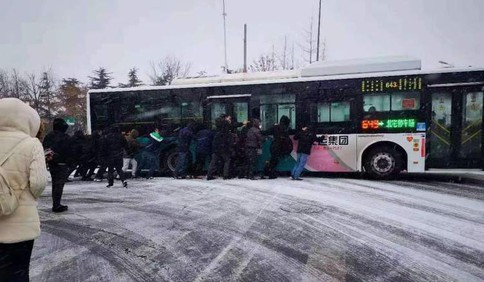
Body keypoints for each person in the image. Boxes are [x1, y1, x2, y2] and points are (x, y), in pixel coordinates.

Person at [0, 98, 48, 281]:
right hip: (20, 224)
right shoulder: (31, 144)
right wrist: (22, 193)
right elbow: (38, 183)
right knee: (17, 274)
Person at [43, 118, 72, 212]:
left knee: (55, 184)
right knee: (59, 184)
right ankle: (56, 205)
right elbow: (69, 150)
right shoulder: (65, 137)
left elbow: (45, 148)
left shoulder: (49, 136)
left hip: (52, 163)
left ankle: (56, 203)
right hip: (62, 163)